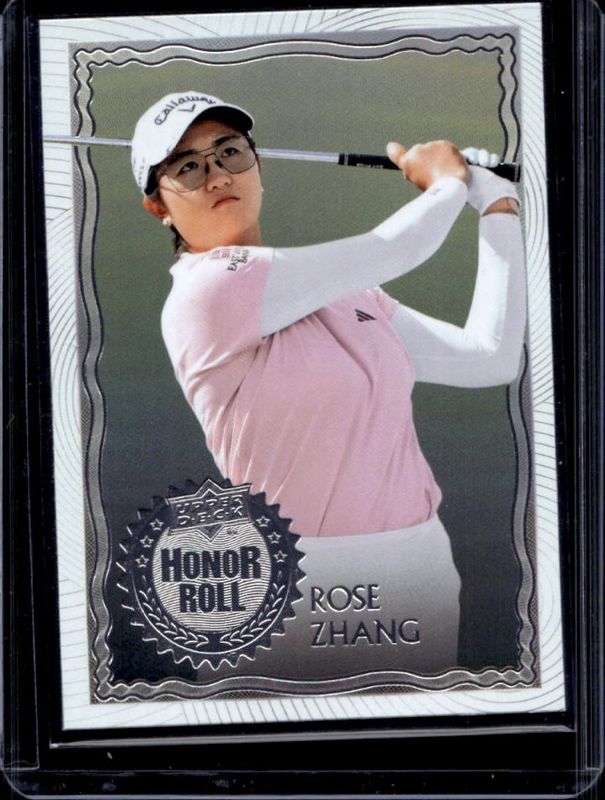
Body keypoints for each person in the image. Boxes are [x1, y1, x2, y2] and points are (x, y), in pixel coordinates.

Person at [131, 91, 525, 670]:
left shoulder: (347, 293)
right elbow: (399, 246)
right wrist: (446, 181)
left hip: (421, 561)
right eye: (187, 167)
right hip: (308, 580)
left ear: (257, 164)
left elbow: (489, 358)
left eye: (229, 152)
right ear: (158, 206)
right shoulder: (204, 290)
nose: (217, 175)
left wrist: (497, 205)